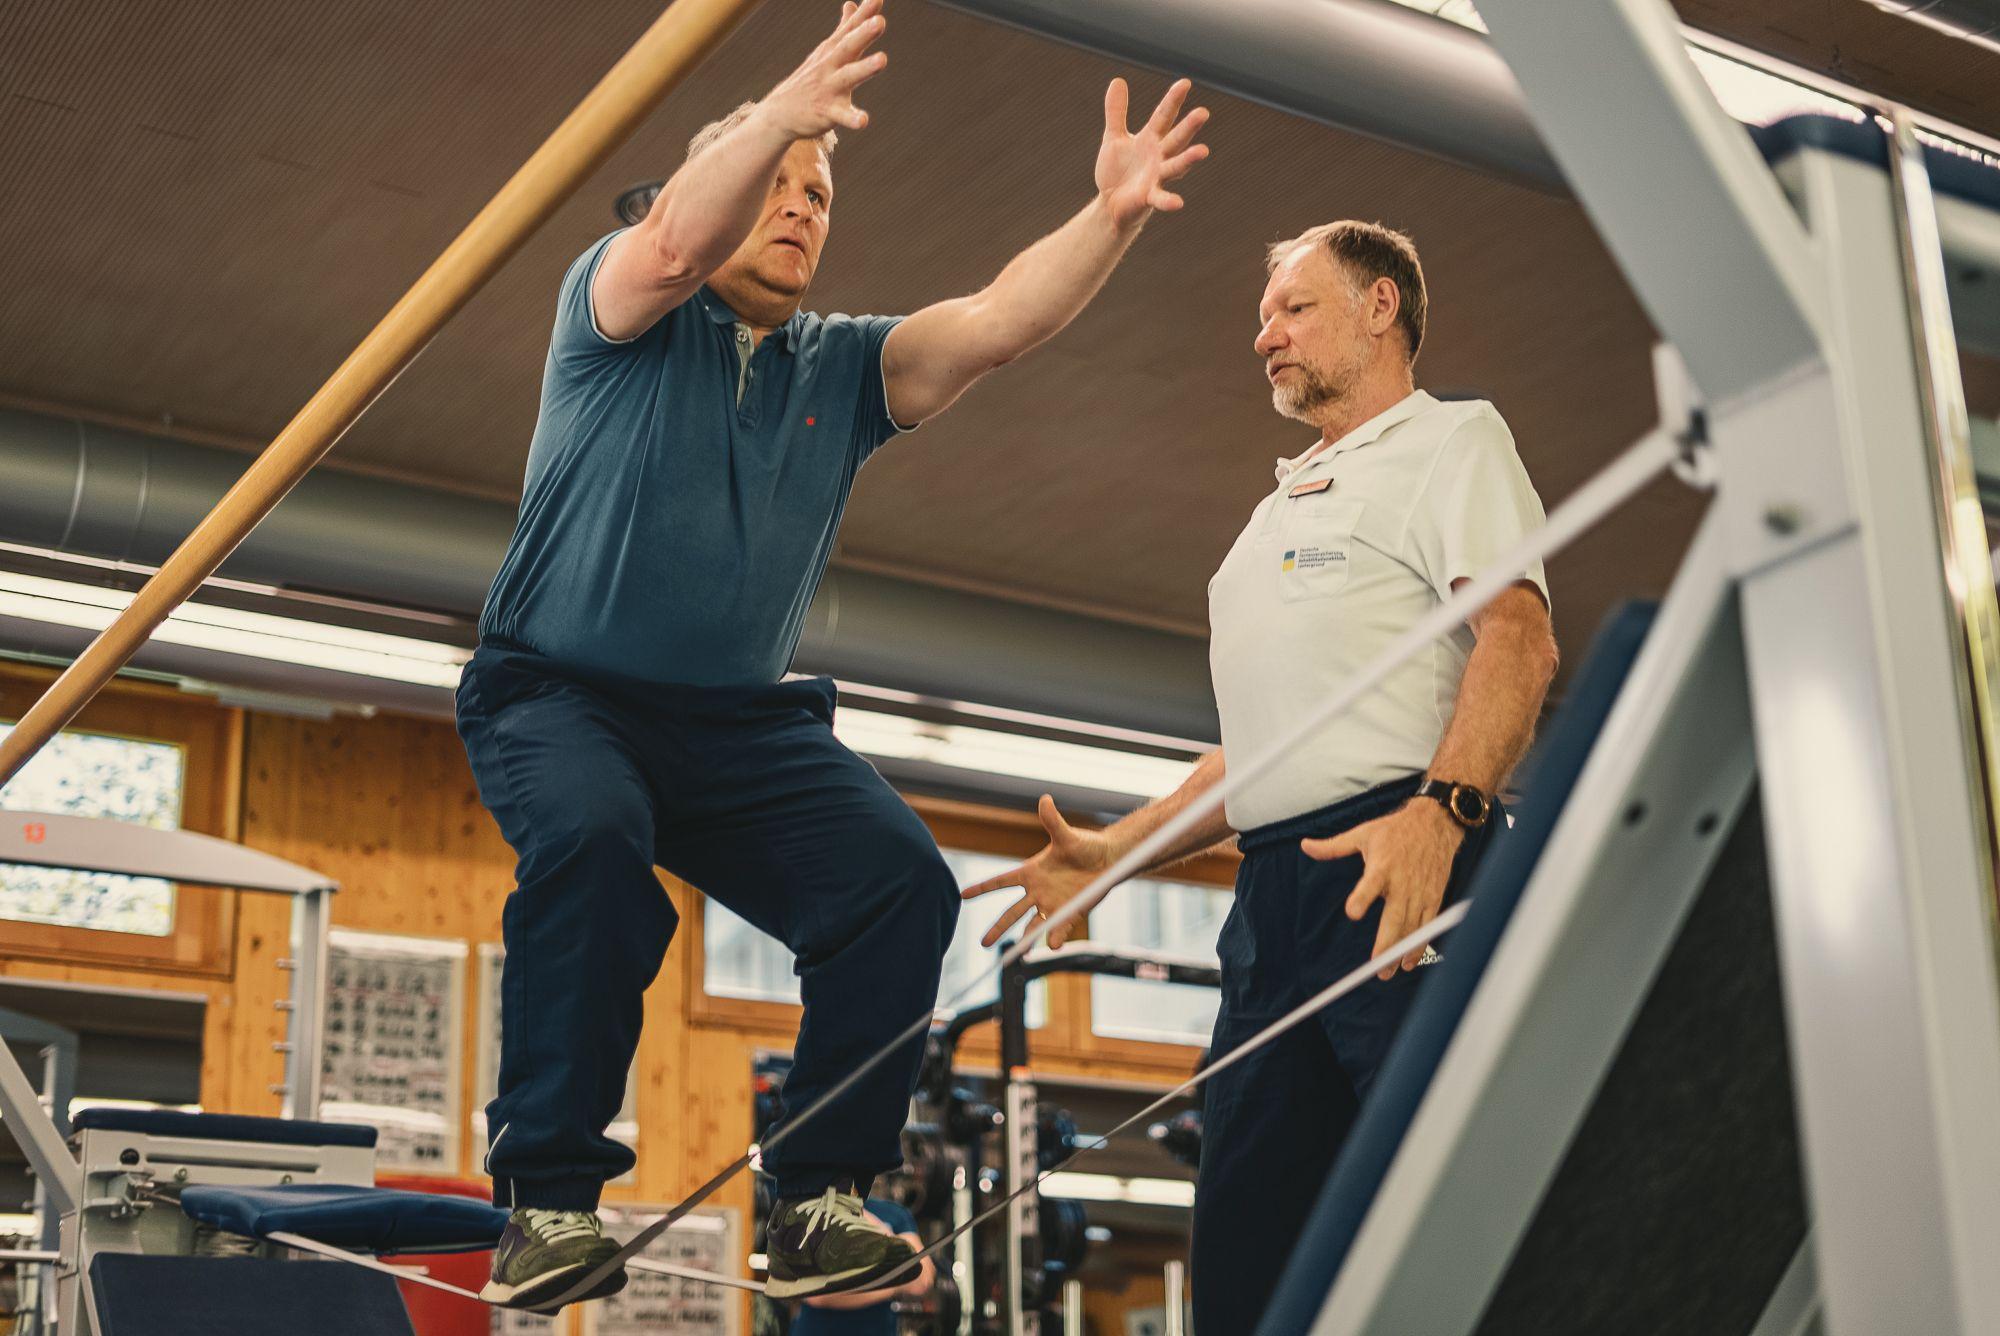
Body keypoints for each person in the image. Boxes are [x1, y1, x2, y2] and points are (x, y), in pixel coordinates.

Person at [456, 0, 1212, 1312]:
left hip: (739, 728)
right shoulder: (621, 313)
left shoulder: (845, 368)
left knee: (896, 883)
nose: (806, 206)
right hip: (560, 696)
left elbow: (994, 324)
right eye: (784, 182)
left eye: (823, 192)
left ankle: (816, 1198)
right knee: (592, 842)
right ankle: (548, 1202)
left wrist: (1113, 215)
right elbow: (682, 233)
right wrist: (780, 116)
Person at [963, 221, 1558, 1332]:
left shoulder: (1450, 441)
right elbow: (1260, 758)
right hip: (1272, 902)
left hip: (1401, 861)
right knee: (1247, 1238)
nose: (1261, 335)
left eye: (1291, 307)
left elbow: (1515, 642)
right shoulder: (1258, 531)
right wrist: (1116, 850)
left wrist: (1443, 811)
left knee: (1448, 1203)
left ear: (1379, 309)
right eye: (1261, 315)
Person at [786, 1199, 934, 1335]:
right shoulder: (814, 1208)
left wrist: (862, 1217)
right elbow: (816, 1293)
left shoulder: (894, 1214)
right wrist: (894, 1280)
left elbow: (921, 1281)